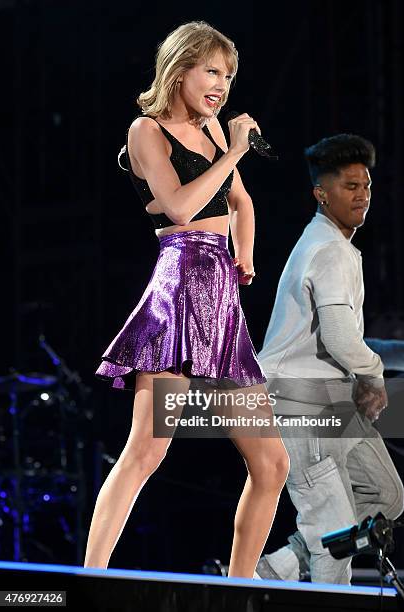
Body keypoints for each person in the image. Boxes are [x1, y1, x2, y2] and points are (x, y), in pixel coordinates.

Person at [84, 21, 289, 577]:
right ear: (180, 69)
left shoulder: (217, 130)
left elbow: (241, 201)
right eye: (212, 71)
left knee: (271, 462)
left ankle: (238, 588)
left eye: (229, 75)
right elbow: (177, 207)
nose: (222, 84)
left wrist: (244, 255)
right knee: (148, 450)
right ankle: (90, 577)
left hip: (220, 291)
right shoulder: (146, 130)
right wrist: (234, 155)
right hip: (179, 282)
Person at [254, 134, 404, 584]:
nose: (362, 195)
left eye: (366, 186)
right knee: (334, 533)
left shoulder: (331, 244)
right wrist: (374, 377)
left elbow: (340, 341)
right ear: (321, 193)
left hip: (332, 401)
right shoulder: (328, 251)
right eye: (349, 186)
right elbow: (340, 339)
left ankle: (276, 570)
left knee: (385, 495)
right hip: (302, 400)